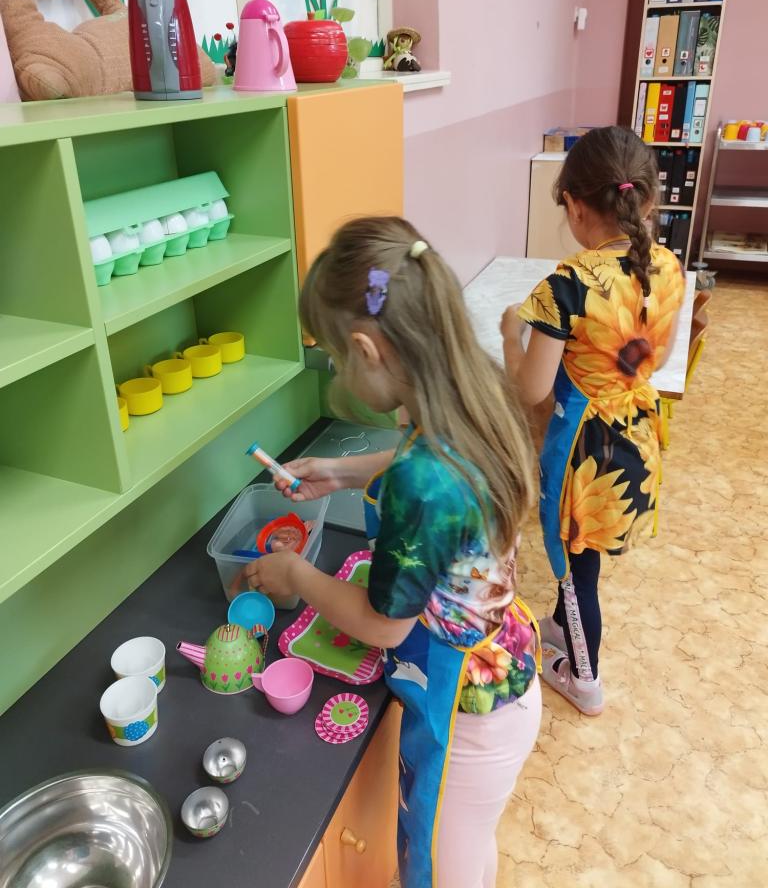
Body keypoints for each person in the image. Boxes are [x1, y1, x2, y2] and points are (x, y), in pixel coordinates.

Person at [240, 217, 541, 888]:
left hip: (467, 713)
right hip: (504, 668)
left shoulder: (421, 482)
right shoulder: (471, 392)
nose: (341, 373)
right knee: (469, 854)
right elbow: (424, 459)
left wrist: (296, 573)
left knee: (437, 870)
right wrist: (342, 472)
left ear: (366, 349)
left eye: (337, 359)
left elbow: (384, 626)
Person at [501, 126, 686, 717]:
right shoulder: (667, 266)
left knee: (575, 565)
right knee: (587, 556)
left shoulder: (569, 284)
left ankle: (585, 678)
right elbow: (656, 354)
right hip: (637, 437)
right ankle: (564, 625)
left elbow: (530, 390)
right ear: (647, 200)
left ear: (575, 206)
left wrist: (510, 337)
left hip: (586, 454)